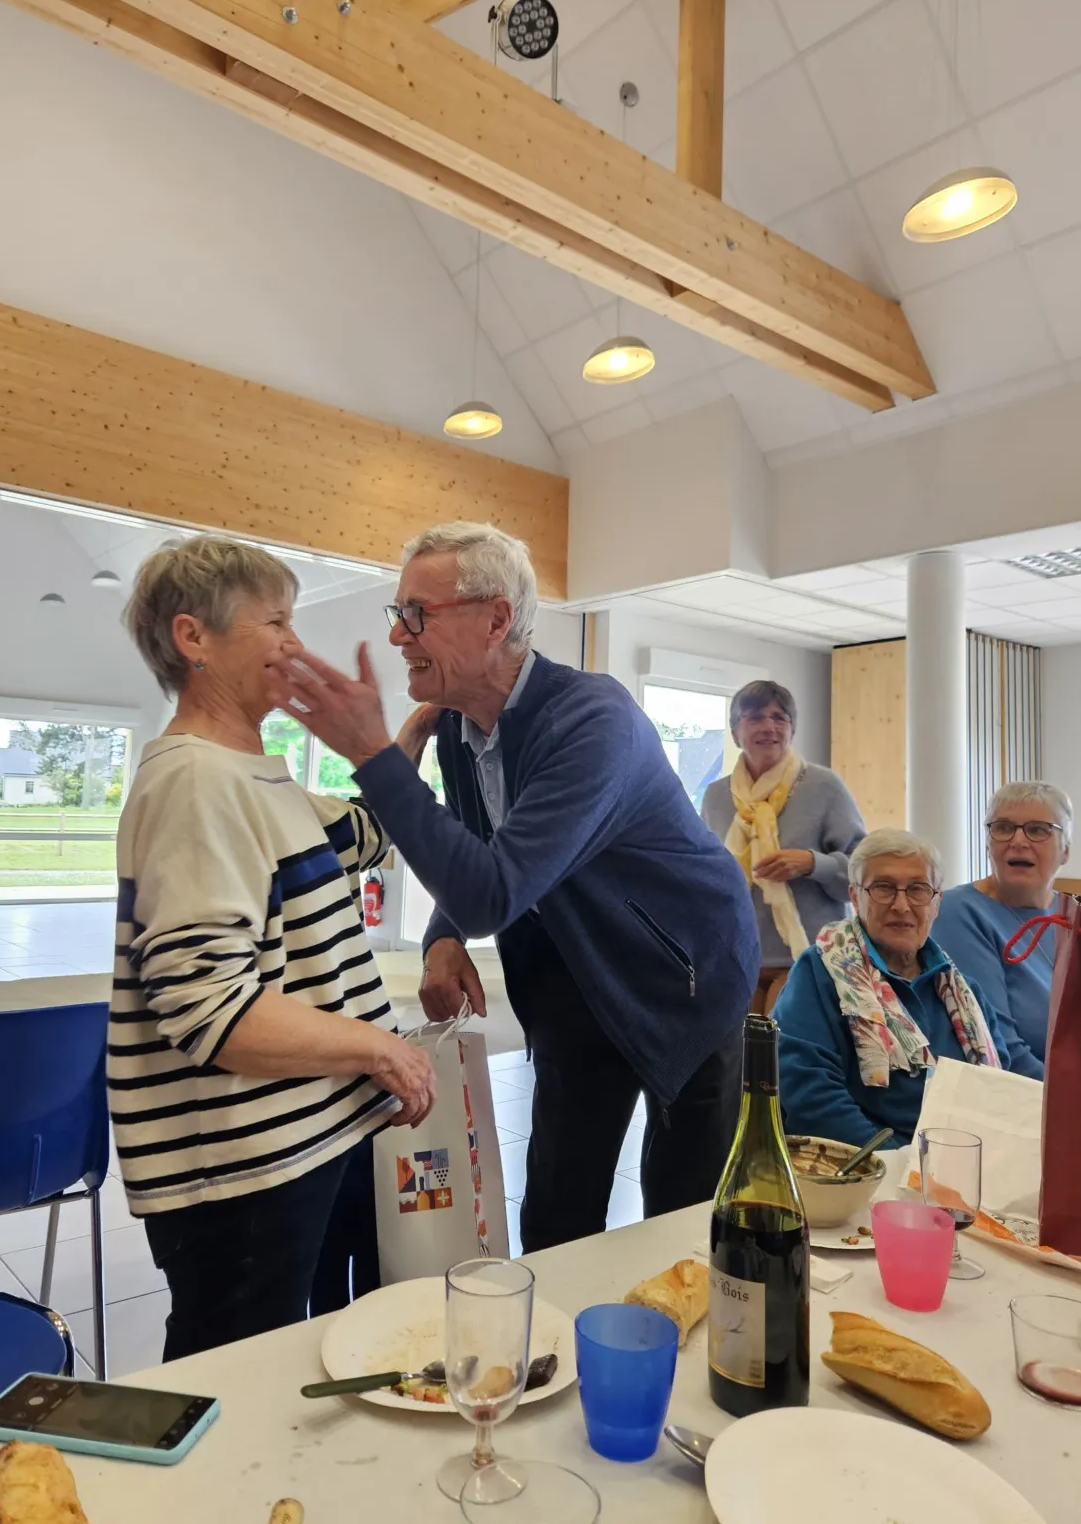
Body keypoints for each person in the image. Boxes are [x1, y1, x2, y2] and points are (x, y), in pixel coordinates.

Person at [266, 521, 759, 1253]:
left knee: (683, 1216)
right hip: (574, 982)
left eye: (417, 614)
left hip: (686, 977)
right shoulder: (459, 729)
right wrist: (442, 935)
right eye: (399, 613)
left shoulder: (594, 720)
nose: (399, 635)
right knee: (559, 1212)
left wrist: (373, 752)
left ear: (497, 619)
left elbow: (492, 891)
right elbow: (485, 855)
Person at [115, 535, 436, 1360]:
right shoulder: (195, 782)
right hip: (246, 1169)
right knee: (234, 1374)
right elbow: (211, 1010)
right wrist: (379, 1047)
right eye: (277, 622)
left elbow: (367, 833)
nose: (296, 644)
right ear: (194, 637)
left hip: (304, 1141)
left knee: (299, 1359)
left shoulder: (255, 775)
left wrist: (406, 732)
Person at [772, 829, 1012, 1149]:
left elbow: (999, 1090)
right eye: (883, 888)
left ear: (937, 902)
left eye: (918, 889)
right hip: (864, 1164)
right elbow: (810, 1094)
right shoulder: (819, 972)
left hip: (962, 1160)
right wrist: (897, 1161)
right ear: (855, 897)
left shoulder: (965, 993)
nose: (901, 905)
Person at [702, 680, 865, 1013]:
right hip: (736, 956)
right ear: (735, 732)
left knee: (781, 1046)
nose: (769, 727)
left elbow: (865, 873)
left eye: (779, 718)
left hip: (809, 956)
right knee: (738, 1048)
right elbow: (704, 873)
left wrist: (812, 863)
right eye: (755, 717)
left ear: (792, 730)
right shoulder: (716, 796)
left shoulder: (824, 786)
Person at [934, 782, 1074, 1080]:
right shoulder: (958, 912)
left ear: (1065, 851)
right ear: (988, 844)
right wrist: (1079, 1098)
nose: (1018, 841)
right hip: (1027, 1093)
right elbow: (1001, 1051)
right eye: (1003, 828)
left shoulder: (1075, 914)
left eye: (1038, 830)